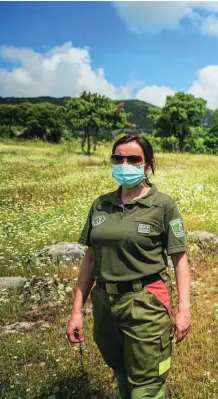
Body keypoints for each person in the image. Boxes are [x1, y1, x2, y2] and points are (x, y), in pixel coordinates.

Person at [66, 134, 192, 399]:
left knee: (146, 388)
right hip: (105, 303)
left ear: (148, 164)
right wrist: (77, 311)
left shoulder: (163, 206)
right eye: (118, 158)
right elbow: (90, 258)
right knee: (121, 372)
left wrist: (184, 310)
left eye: (133, 159)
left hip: (145, 302)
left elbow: (179, 260)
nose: (124, 163)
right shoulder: (101, 204)